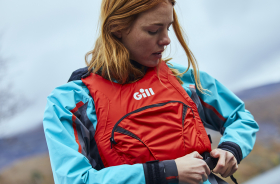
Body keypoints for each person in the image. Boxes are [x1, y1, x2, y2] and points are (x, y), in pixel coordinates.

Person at [43, 0, 259, 184]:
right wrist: (163, 172)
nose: (166, 40)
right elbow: (74, 179)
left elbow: (239, 117)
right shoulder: (71, 103)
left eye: (168, 27)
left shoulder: (183, 79)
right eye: (153, 30)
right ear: (117, 28)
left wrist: (231, 149)